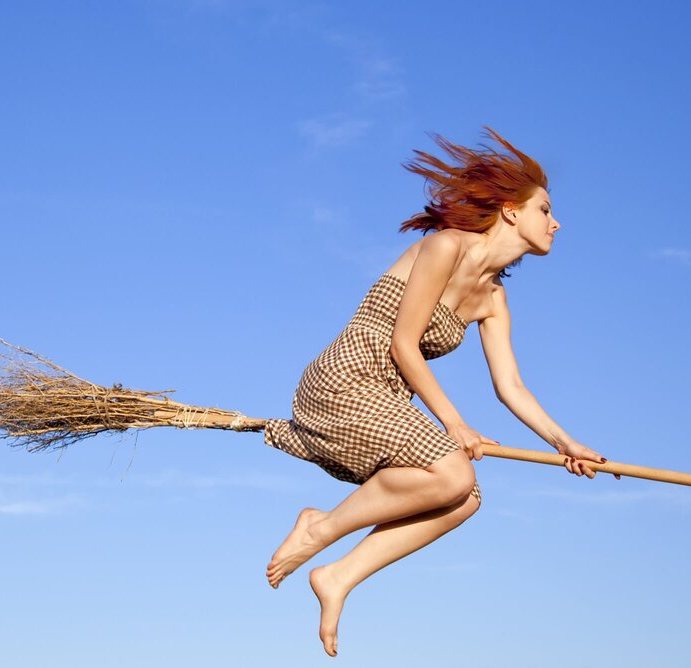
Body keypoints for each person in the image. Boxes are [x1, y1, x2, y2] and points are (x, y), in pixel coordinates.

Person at [262, 127, 614, 657]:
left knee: (463, 500)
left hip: (384, 401)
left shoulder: (494, 299)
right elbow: (405, 344)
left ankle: (337, 576)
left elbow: (511, 386)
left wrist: (566, 443)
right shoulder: (444, 247)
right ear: (512, 212)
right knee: (453, 470)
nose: (556, 222)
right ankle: (320, 527)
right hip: (343, 381)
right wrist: (454, 424)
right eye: (546, 209)